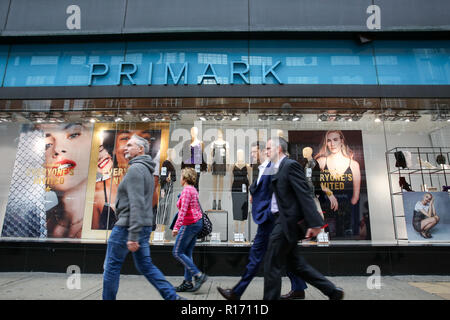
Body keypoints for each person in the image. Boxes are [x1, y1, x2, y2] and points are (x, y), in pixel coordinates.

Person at [217, 141, 307, 300]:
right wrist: (253, 192)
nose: (252, 154)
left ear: (263, 152)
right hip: (269, 219)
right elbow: (259, 187)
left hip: (270, 219)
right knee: (286, 256)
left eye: (254, 151)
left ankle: (236, 293)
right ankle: (299, 288)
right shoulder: (263, 168)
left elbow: (274, 190)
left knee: (257, 255)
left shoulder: (271, 167)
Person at [102, 134, 183, 300]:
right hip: (142, 225)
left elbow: (137, 203)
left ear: (140, 149)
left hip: (127, 227)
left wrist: (132, 236)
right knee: (146, 265)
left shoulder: (135, 170)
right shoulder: (146, 169)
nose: (126, 147)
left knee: (111, 267)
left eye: (130, 145)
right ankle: (172, 297)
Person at [263, 136, 344, 300]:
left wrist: (315, 223)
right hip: (282, 221)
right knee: (295, 264)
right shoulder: (277, 167)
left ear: (279, 149)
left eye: (268, 148)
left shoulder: (290, 165)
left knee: (271, 262)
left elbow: (305, 194)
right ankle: (332, 291)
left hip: (288, 223)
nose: (266, 151)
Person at [42, 123, 92, 238]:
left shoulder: (108, 217)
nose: (58, 149)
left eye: (73, 135)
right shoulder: (37, 224)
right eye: (47, 144)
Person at [315, 130, 361, 237]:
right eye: (329, 141)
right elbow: (312, 182)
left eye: (335, 139)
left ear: (342, 140)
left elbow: (355, 198)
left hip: (346, 214)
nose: (332, 144)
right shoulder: (321, 161)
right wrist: (329, 193)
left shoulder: (354, 165)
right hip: (325, 208)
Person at [172, 167, 208, 293]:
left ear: (185, 178)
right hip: (195, 223)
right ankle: (187, 282)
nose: (180, 178)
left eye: (181, 176)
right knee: (187, 253)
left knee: (177, 252)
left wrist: (177, 227)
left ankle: (198, 275)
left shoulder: (187, 190)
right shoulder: (192, 189)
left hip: (189, 224)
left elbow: (183, 211)